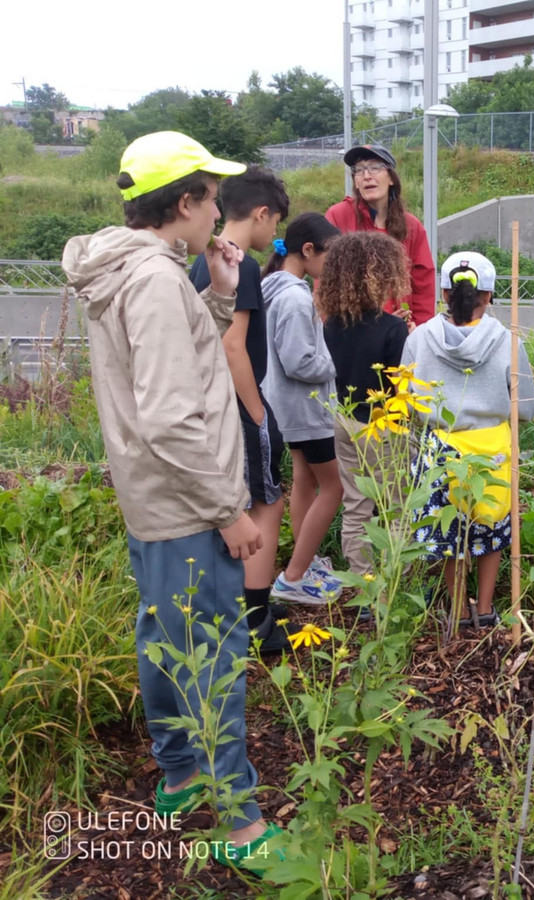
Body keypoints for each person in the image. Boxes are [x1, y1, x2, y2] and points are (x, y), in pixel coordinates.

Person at [62, 131, 279, 867]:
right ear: (184, 203)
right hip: (190, 502)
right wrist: (230, 509)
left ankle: (181, 775)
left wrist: (218, 300)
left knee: (165, 638)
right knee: (214, 653)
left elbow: (170, 366)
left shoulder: (133, 269)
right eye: (212, 198)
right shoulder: (153, 282)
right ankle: (241, 822)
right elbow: (170, 415)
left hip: (155, 497)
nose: (220, 211)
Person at [402, 250, 534, 628]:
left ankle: (458, 608)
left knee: (450, 531)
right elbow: (526, 407)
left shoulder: (421, 339)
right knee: (490, 528)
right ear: (489, 295)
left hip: (441, 446)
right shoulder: (508, 341)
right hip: (492, 447)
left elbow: (407, 399)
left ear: (444, 292)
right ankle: (485, 610)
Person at [188, 166, 293, 652]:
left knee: (236, 503)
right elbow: (233, 344)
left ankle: (235, 608)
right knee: (265, 502)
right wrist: (257, 413)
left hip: (208, 403)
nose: (275, 235)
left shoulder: (200, 259)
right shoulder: (241, 265)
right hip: (237, 405)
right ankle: (256, 618)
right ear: (261, 213)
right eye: (275, 224)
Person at [260, 214, 345, 604]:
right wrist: (335, 362)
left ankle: (303, 561)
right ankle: (294, 577)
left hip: (287, 408)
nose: (333, 266)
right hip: (306, 410)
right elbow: (299, 361)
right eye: (330, 255)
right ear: (308, 251)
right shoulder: (295, 297)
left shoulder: (274, 287)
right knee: (336, 484)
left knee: (305, 481)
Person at [320, 232, 413, 576]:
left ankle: (362, 578)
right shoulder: (392, 329)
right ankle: (392, 582)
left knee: (356, 504)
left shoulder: (331, 325)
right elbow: (401, 385)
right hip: (384, 425)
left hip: (344, 421)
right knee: (396, 506)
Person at [325, 144, 436, 326]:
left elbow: (424, 286)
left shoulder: (412, 226)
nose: (367, 176)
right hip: (352, 333)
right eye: (359, 171)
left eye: (375, 167)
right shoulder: (338, 217)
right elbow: (325, 281)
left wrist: (420, 332)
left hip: (402, 334)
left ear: (391, 178)